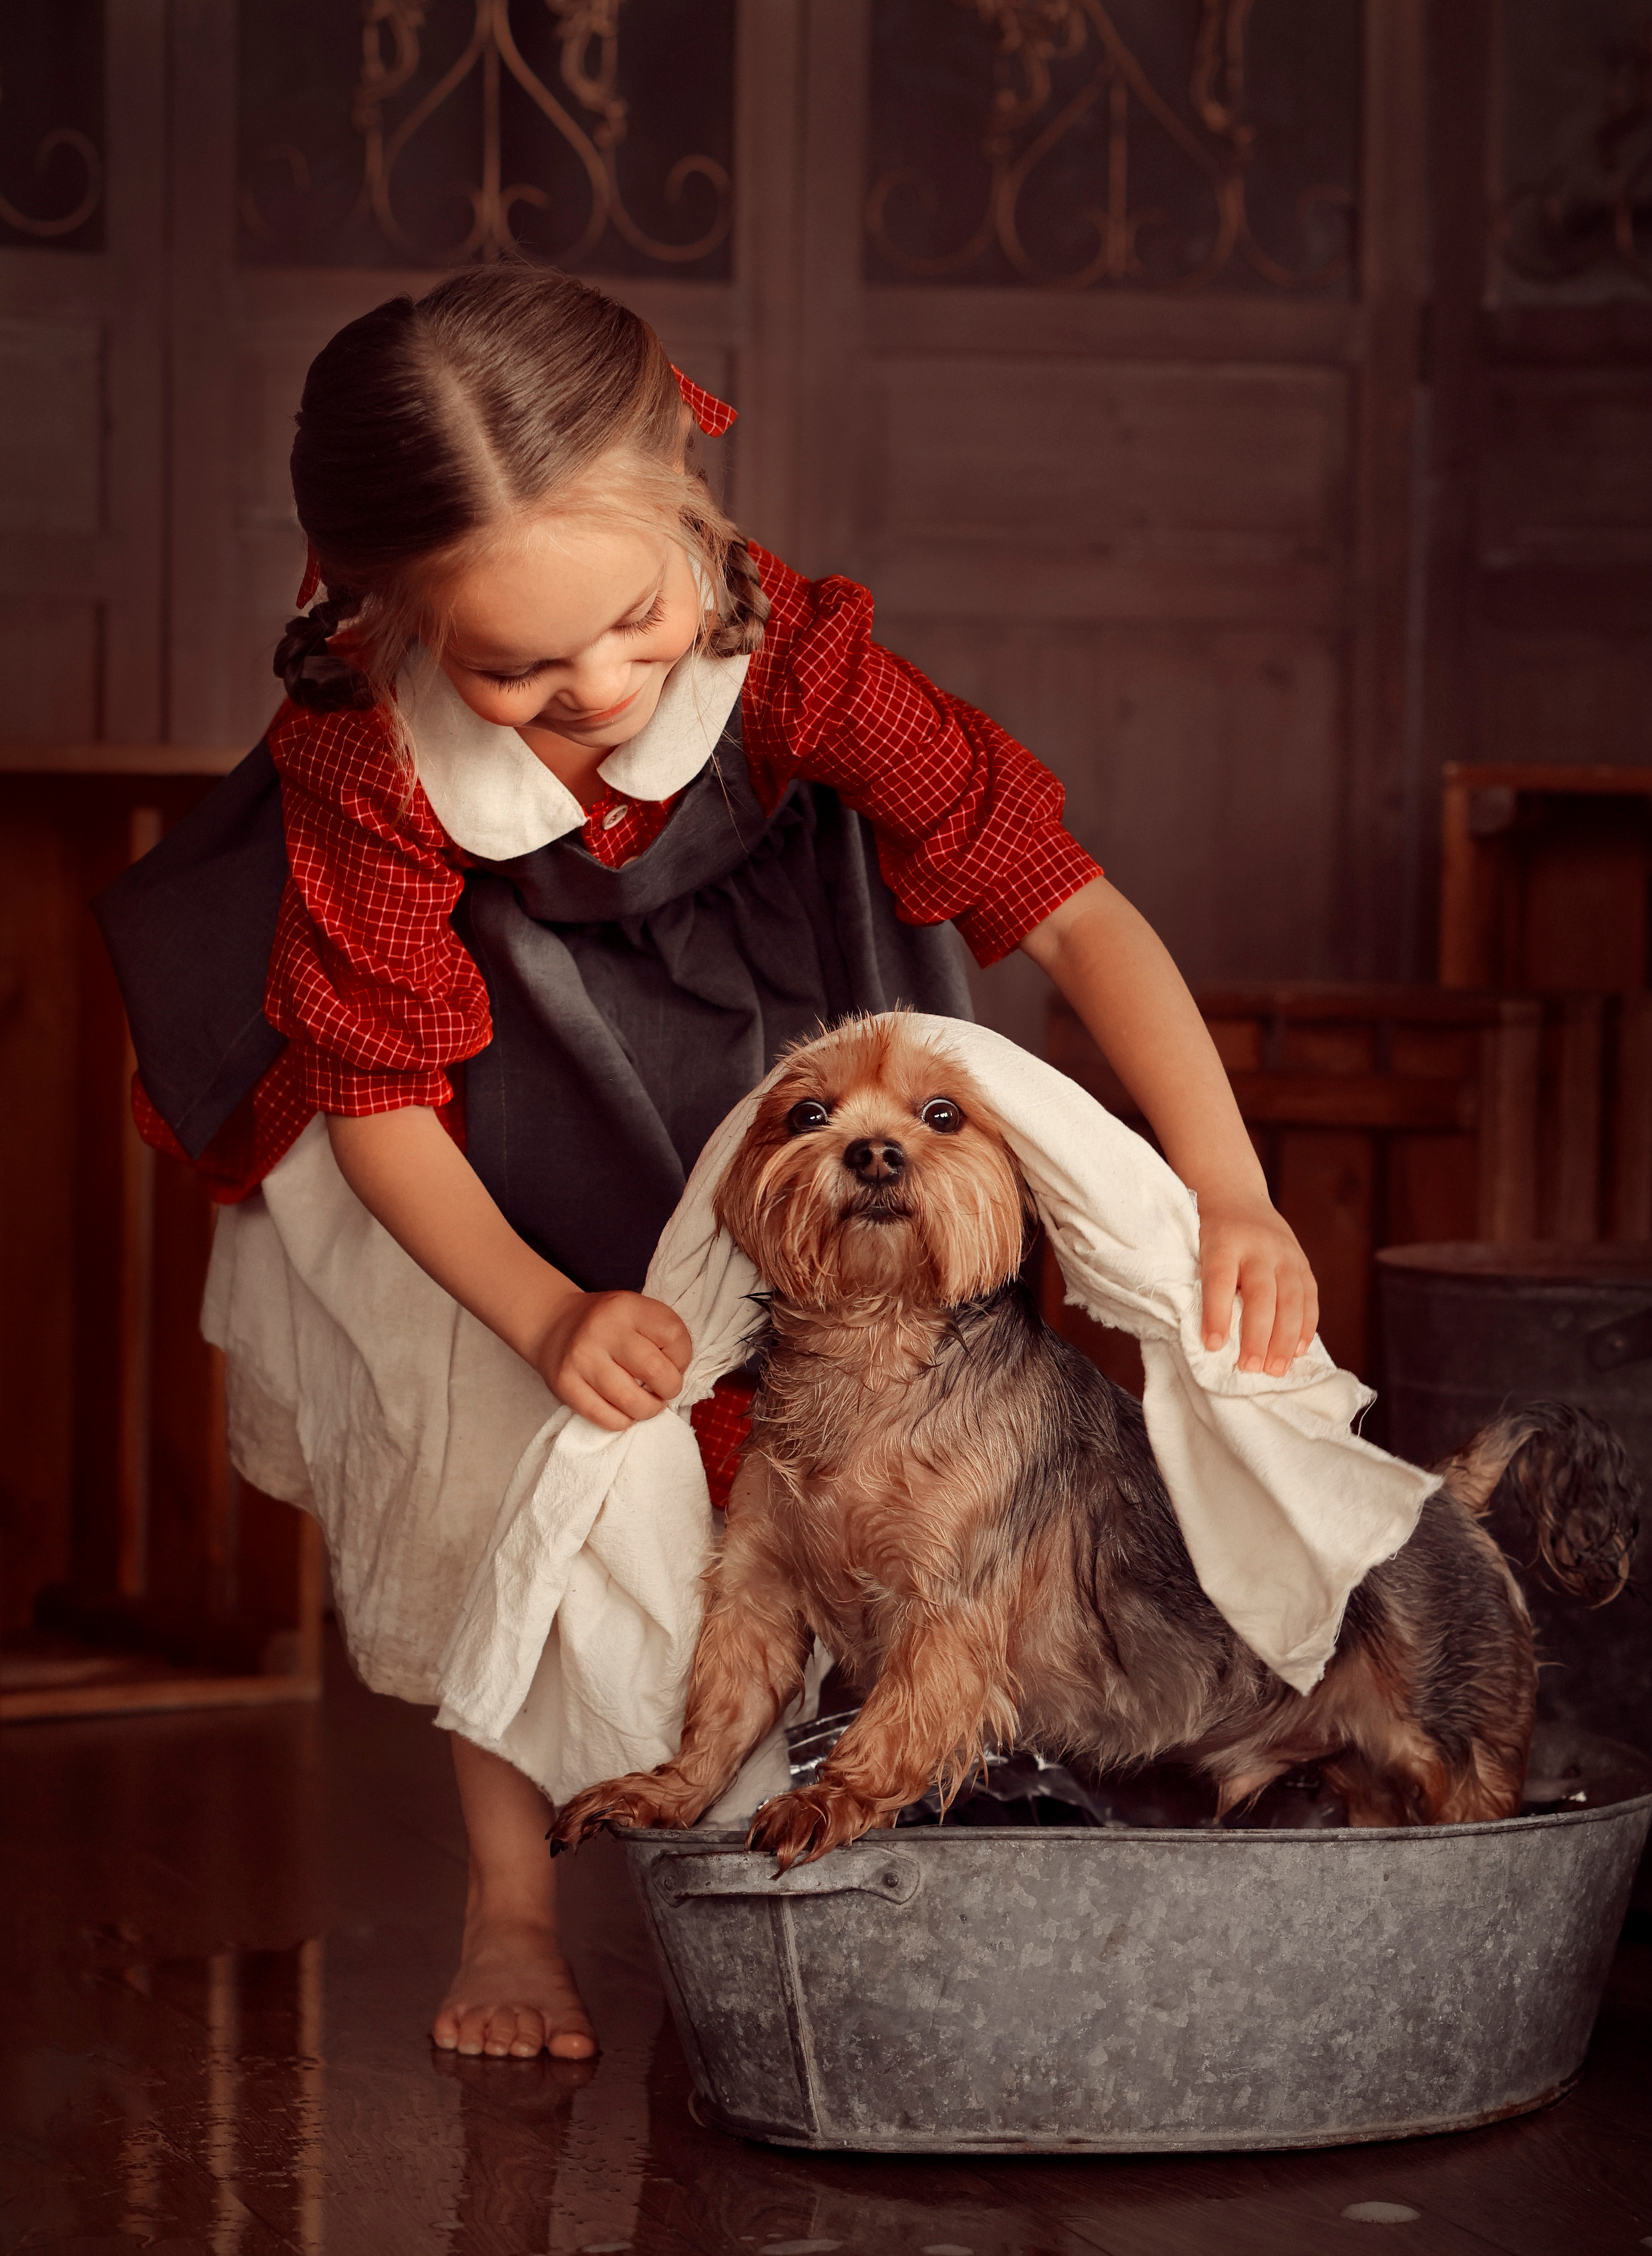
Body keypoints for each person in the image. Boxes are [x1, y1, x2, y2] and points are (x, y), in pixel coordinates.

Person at [110, 266, 1317, 2066]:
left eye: (634, 619)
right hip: (485, 1131)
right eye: (516, 665)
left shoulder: (810, 661)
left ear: (693, 503)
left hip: (779, 1055)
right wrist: (537, 1314)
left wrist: (1224, 1184)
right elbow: (376, 1100)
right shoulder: (366, 753)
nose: (597, 684)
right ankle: (512, 1906)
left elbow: (1071, 913)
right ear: (385, 614)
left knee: (846, 1465)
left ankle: (836, 1821)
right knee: (512, 1470)